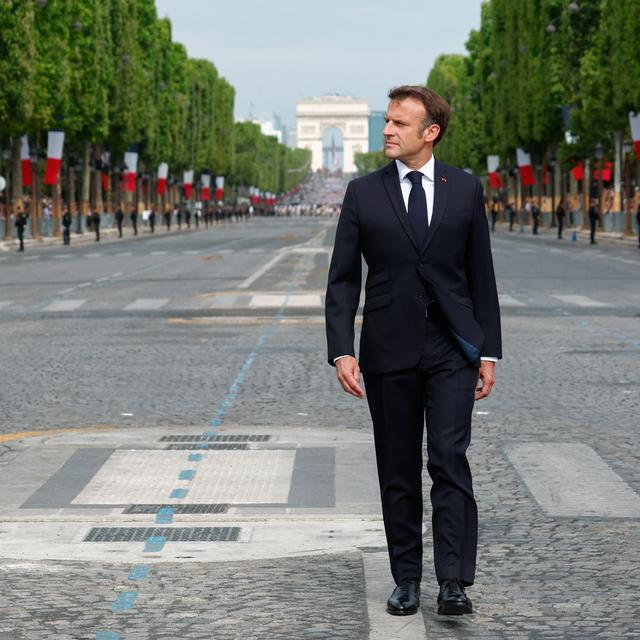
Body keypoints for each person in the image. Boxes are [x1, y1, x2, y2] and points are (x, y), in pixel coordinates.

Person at [326, 85, 501, 618]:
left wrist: (488, 351)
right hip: (387, 348)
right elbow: (341, 281)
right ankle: (406, 578)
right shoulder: (361, 192)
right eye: (386, 121)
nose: (387, 130)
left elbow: (481, 277)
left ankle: (453, 581)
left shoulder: (466, 190)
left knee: (449, 461)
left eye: (400, 123)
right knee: (396, 468)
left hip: (452, 347)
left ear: (431, 132)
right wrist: (341, 351)